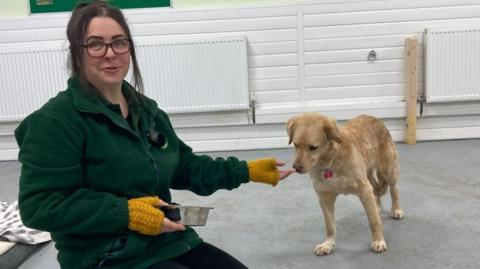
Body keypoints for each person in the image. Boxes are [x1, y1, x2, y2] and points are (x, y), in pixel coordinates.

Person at [14, 1, 295, 269]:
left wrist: (244, 170)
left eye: (119, 42)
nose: (110, 53)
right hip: (105, 256)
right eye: (95, 44)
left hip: (167, 239)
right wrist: (125, 213)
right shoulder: (55, 122)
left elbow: (183, 166)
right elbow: (40, 206)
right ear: (76, 52)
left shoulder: (146, 110)